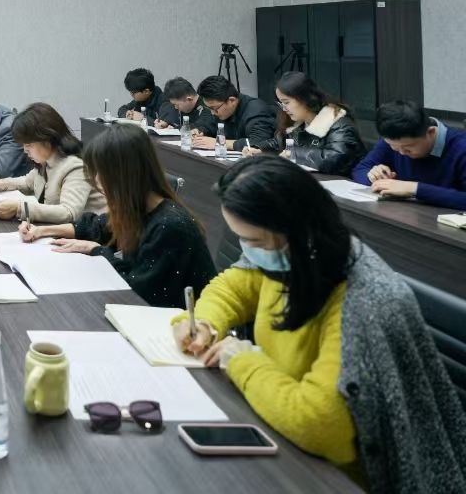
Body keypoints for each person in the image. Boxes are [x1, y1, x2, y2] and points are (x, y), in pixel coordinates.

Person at [171, 155, 466, 491]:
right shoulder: (290, 256)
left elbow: (322, 426)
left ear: (295, 228)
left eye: (253, 242)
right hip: (281, 430)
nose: (247, 252)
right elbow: (234, 287)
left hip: (341, 476)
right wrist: (205, 323)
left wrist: (242, 360)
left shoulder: (363, 299)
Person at [21, 124, 214, 308]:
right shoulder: (138, 208)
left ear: (125, 174)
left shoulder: (171, 226)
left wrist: (97, 250)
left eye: (101, 172)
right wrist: (41, 231)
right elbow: (95, 227)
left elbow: (139, 290)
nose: (97, 180)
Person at [0, 101, 104, 223]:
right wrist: (2, 183)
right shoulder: (46, 160)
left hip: (89, 232)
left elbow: (68, 212)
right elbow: (28, 183)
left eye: (29, 144)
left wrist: (20, 208)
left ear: (47, 138)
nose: (25, 150)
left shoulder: (75, 166)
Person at [242, 72, 366, 176]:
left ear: (305, 98)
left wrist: (294, 154)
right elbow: (280, 142)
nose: (284, 108)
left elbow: (336, 159)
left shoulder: (338, 123)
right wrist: (260, 149)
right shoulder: (298, 123)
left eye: (286, 102)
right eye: (281, 103)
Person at [351, 101, 466, 207]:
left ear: (430, 132)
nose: (401, 152)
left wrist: (414, 189)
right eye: (394, 147)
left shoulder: (461, 147)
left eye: (409, 147)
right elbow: (360, 170)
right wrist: (375, 178)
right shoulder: (393, 137)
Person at [190, 76, 277, 149]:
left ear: (232, 100)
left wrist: (221, 142)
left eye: (214, 108)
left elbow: (258, 142)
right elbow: (208, 125)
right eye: (209, 108)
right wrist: (199, 131)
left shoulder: (257, 110)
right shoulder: (219, 108)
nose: (212, 113)